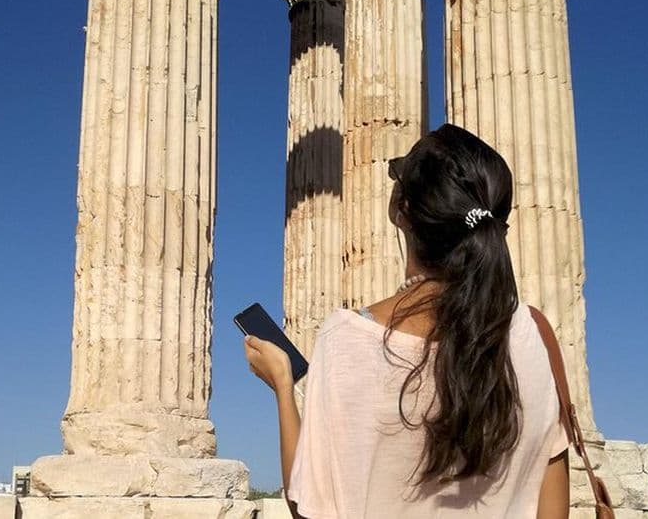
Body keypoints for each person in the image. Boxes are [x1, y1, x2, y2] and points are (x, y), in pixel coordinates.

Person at [243, 123, 570, 518]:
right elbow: (553, 511)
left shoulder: (348, 338)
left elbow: (309, 509)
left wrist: (282, 385)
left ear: (401, 209)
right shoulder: (534, 334)